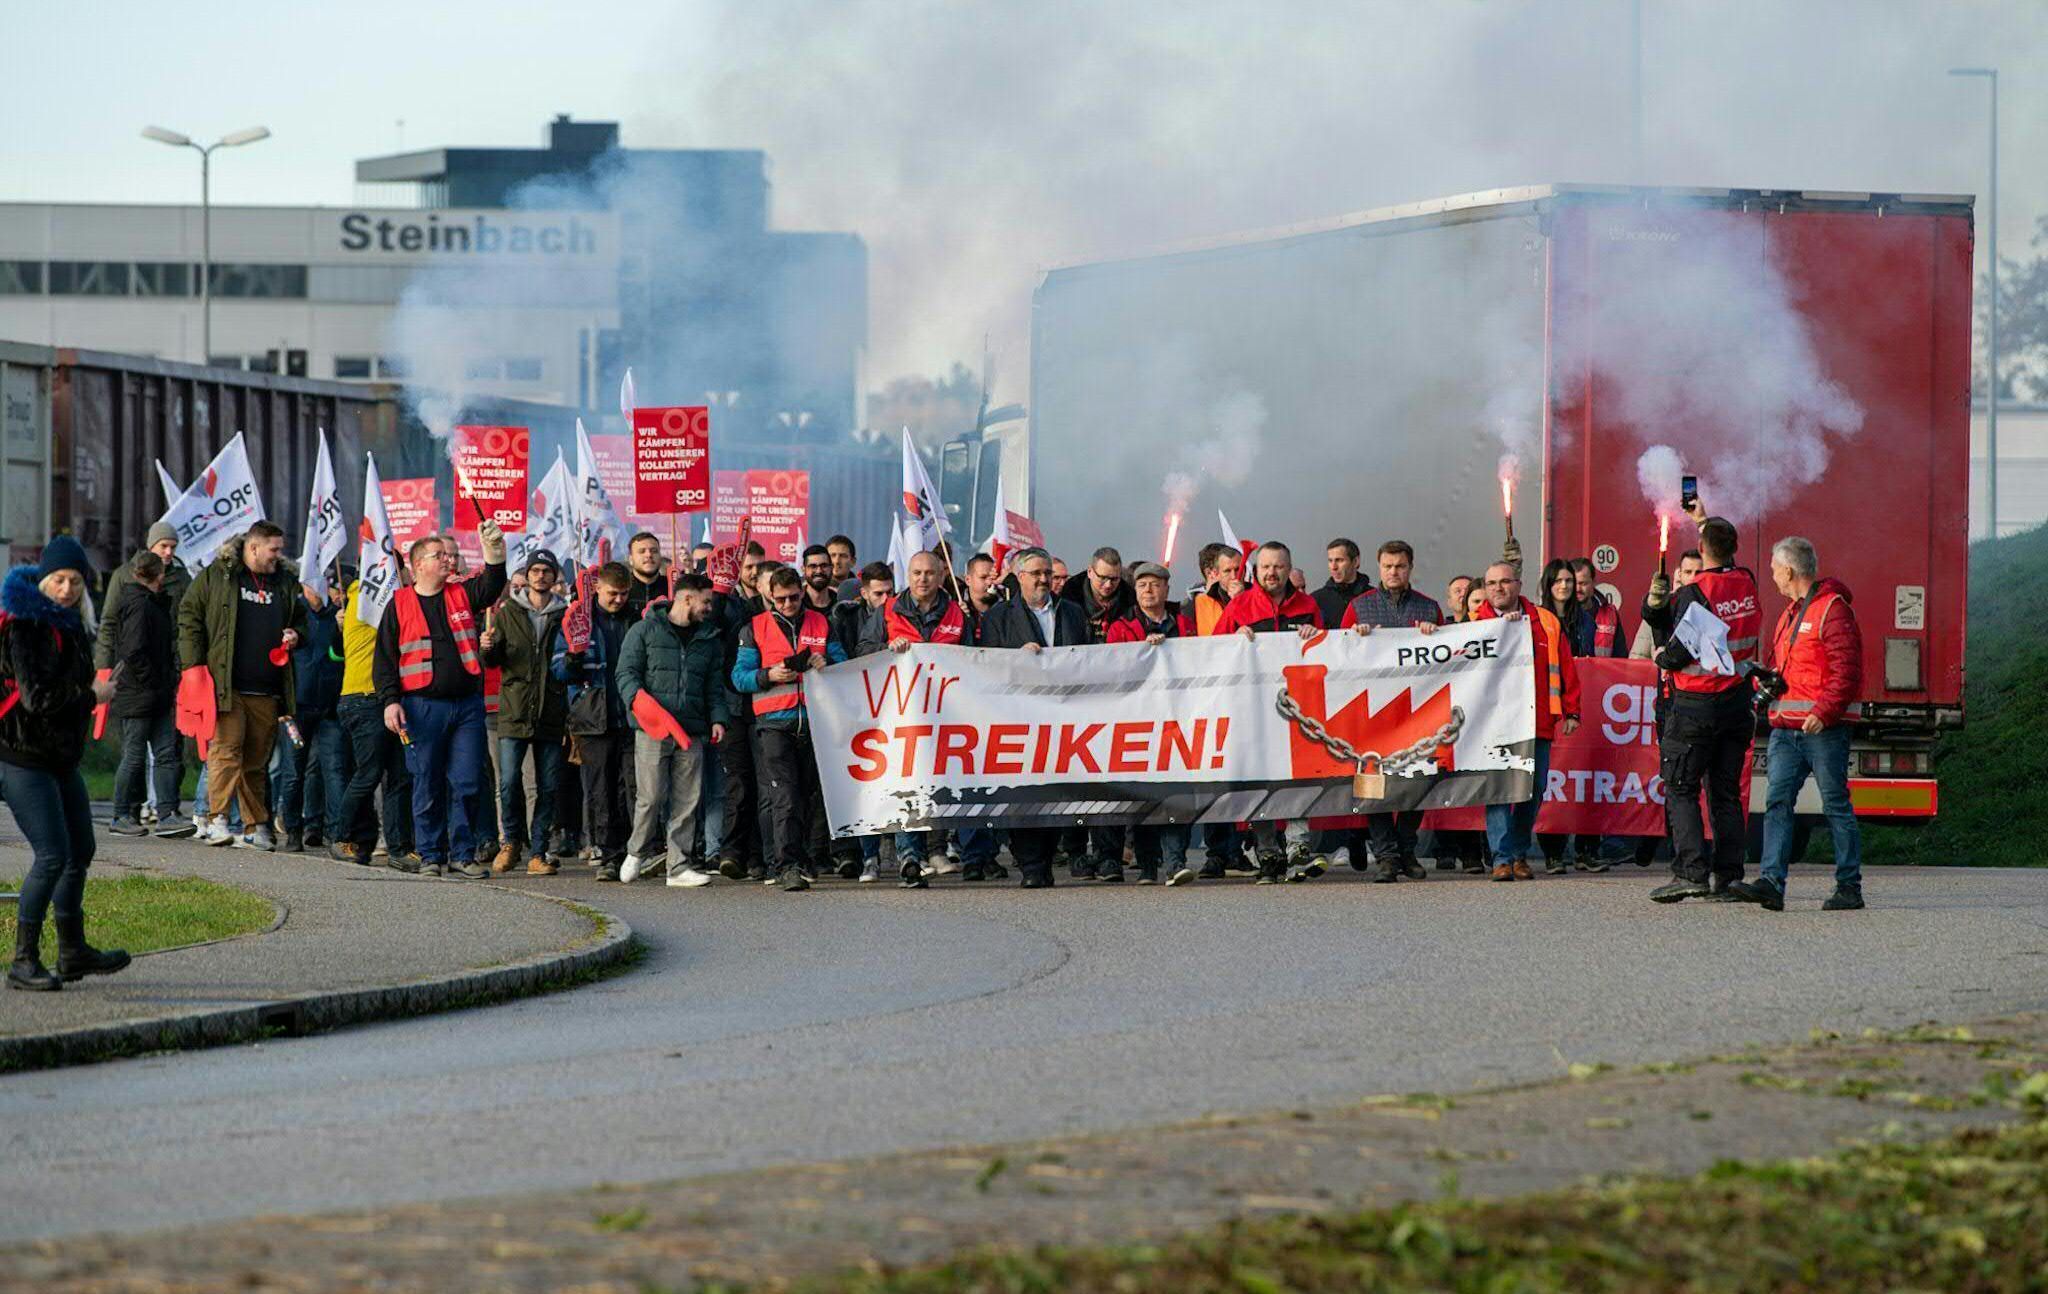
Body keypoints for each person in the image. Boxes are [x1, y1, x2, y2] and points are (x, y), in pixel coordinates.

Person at [4, 536, 127, 991]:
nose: (68, 589)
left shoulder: (71, 625)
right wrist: (91, 696)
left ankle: (72, 952)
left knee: (81, 852)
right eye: (59, 580)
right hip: (20, 757)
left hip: (59, 759)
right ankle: (23, 960)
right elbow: (36, 699)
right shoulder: (27, 626)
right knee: (52, 855)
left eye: (75, 581)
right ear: (43, 581)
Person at [1730, 538, 1866, 913]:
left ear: (1788, 571)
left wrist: (1824, 713)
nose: (1773, 577)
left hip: (1822, 730)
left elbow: (1847, 671)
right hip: (1785, 729)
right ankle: (1771, 884)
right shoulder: (1791, 612)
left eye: (1775, 570)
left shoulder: (1832, 611)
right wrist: (1766, 679)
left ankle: (1849, 887)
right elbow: (1793, 670)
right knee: (1777, 803)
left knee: (1836, 804)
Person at [373, 525, 508, 878]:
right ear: (418, 565)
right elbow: (385, 660)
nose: (449, 559)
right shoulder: (399, 604)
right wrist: (390, 702)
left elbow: (492, 585)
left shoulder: (462, 594)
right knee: (426, 781)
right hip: (420, 707)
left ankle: (462, 855)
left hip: (466, 706)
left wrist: (495, 552)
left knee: (466, 781)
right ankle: (431, 855)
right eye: (439, 556)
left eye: (449, 555)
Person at [1642, 508, 1761, 904]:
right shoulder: (1747, 582)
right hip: (1737, 702)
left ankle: (1690, 872)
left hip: (1696, 704)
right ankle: (1728, 877)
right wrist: (1703, 518)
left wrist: (1659, 653)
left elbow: (1675, 653)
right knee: (1725, 793)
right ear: (1735, 549)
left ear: (1699, 549)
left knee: (1680, 787)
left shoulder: (1693, 594)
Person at [178, 520, 308, 851]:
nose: (278, 556)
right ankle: (216, 818)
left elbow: (301, 621)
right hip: (227, 685)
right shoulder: (218, 575)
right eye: (273, 549)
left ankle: (254, 826)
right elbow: (189, 615)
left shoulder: (286, 582)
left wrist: (297, 635)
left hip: (267, 688)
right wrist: (193, 666)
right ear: (253, 547)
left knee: (256, 760)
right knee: (226, 750)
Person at [977, 546, 1089, 888]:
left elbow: (1086, 658)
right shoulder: (997, 617)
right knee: (1021, 793)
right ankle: (1031, 865)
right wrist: (1017, 658)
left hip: (1061, 716)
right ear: (1019, 577)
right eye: (1036, 573)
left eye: (1047, 574)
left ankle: (1047, 857)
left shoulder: (1072, 612)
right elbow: (986, 665)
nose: (1043, 579)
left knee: (1056, 791)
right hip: (1016, 718)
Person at [732, 565, 848, 890]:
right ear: (770, 596)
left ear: (802, 591)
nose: (787, 605)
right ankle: (786, 865)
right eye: (780, 600)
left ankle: (803, 858)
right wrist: (767, 676)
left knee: (808, 795)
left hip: (814, 722)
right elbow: (738, 677)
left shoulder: (821, 622)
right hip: (773, 725)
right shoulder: (753, 628)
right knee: (785, 796)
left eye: (793, 598)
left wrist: (829, 664)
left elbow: (843, 660)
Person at [1215, 541, 1323, 883]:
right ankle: (1268, 854)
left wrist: (1316, 635)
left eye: (1278, 566)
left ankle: (1298, 848)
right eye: (1265, 567)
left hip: (1297, 709)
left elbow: (1328, 651)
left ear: (1288, 568)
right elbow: (1213, 650)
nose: (1271, 573)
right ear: (1255, 571)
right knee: (1259, 778)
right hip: (1253, 711)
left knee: (1298, 775)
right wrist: (1235, 636)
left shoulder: (1308, 605)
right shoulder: (1240, 605)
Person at [860, 549, 969, 887]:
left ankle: (933, 848)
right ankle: (909, 856)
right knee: (906, 781)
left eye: (929, 573)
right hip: (899, 713)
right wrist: (887, 648)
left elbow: (977, 656)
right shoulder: (888, 610)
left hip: (944, 713)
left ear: (940, 576)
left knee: (936, 784)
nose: (923, 579)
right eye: (917, 573)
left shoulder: (956, 613)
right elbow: (861, 651)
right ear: (908, 576)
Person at [1340, 541, 1445, 882]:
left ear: (1410, 568)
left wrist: (1435, 635)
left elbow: (1449, 659)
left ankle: (1406, 850)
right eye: (1387, 566)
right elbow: (1339, 653)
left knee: (1417, 782)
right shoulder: (1360, 607)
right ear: (1379, 566)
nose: (1393, 572)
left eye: (1399, 566)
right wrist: (1355, 638)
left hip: (1418, 712)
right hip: (1372, 714)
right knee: (1373, 784)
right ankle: (1386, 856)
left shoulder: (1429, 609)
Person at [617, 572, 730, 886]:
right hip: (652, 729)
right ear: (687, 598)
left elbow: (713, 687)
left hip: (691, 730)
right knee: (651, 797)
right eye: (706, 601)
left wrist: (718, 718)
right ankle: (636, 852)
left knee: (687, 801)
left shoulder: (708, 639)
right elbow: (626, 673)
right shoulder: (644, 631)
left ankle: (678, 867)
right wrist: (637, 704)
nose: (710, 607)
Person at [1472, 561, 1581, 882]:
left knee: (1534, 789)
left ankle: (1518, 852)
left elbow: (1566, 667)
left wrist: (1572, 710)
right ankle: (1502, 858)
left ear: (1518, 584)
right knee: (1497, 791)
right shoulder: (1474, 624)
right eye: (1491, 583)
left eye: (1505, 582)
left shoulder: (1545, 621)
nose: (1498, 589)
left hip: (1538, 721)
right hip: (1492, 727)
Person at [95, 521, 190, 825]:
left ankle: (166, 812)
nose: (169, 552)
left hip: (162, 680)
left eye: (173, 547)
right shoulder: (129, 586)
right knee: (135, 754)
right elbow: (114, 630)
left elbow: (184, 625)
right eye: (163, 546)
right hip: (141, 686)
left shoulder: (178, 579)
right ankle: (126, 812)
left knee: (167, 751)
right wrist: (103, 668)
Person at [1105, 561, 1194, 885]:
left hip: (1176, 720)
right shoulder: (1121, 627)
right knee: (1143, 795)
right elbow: (1113, 667)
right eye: (1142, 585)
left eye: (1155, 584)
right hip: (1138, 721)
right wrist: (1141, 651)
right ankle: (1147, 866)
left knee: (1176, 793)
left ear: (1166, 589)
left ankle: (1174, 862)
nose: (1149, 590)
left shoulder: (1184, 625)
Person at [485, 548, 568, 876]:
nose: (540, 576)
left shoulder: (565, 613)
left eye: (547, 571)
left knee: (547, 785)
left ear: (554, 577)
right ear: (527, 575)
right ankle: (511, 843)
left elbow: (569, 663)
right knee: (507, 783)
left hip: (550, 709)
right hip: (514, 709)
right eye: (535, 570)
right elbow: (494, 661)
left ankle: (538, 851)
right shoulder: (508, 612)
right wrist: (487, 648)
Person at [555, 563, 637, 881]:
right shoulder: (579, 618)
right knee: (600, 788)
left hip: (630, 714)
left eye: (624, 593)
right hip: (592, 716)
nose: (618, 599)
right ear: (598, 589)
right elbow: (559, 672)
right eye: (612, 593)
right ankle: (607, 852)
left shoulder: (636, 616)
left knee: (631, 787)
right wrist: (574, 655)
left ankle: (633, 850)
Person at [333, 573, 414, 866]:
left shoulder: (366, 597)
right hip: (365, 697)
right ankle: (341, 837)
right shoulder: (369, 600)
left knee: (398, 776)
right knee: (370, 774)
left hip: (386, 698)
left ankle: (396, 848)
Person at [274, 577, 348, 853]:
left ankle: (337, 833)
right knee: (294, 771)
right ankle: (294, 828)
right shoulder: (292, 614)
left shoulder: (338, 615)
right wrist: (281, 704)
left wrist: (343, 630)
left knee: (335, 770)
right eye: (310, 583)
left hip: (330, 709)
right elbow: (277, 664)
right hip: (296, 711)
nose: (315, 590)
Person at [1631, 550, 1703, 659]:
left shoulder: (1713, 606)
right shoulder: (1662, 607)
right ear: (1680, 574)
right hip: (1665, 674)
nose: (1692, 578)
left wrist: (1663, 659)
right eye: (1688, 572)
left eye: (1698, 573)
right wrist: (1653, 604)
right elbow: (1638, 656)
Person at [1571, 559, 1628, 659]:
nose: (1578, 589)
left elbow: (1621, 659)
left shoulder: (1610, 614)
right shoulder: (1560, 614)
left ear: (1593, 583)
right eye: (1573, 583)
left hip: (1603, 674)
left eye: (1583, 583)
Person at [1186, 542, 1244, 637]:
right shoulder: (1192, 606)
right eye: (1227, 570)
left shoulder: (1250, 594)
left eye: (1238, 569)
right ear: (1211, 573)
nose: (1234, 576)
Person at [1312, 538, 1372, 629]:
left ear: (1355, 561)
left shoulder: (1375, 597)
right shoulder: (1316, 600)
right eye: (1330, 561)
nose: (1333, 567)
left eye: (1339, 560)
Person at [961, 551, 1003, 643]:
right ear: (968, 580)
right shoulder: (955, 609)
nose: (989, 582)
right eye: (983, 577)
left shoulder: (1007, 607)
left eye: (992, 577)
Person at [624, 532, 667, 620]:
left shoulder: (672, 588)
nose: (649, 555)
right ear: (631, 559)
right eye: (641, 551)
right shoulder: (622, 589)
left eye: (654, 551)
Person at [799, 544, 840, 616]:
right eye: (813, 566)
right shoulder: (796, 604)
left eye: (824, 566)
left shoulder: (841, 604)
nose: (819, 571)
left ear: (831, 568)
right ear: (803, 569)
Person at [826, 534, 860, 600]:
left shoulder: (862, 591)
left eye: (843, 556)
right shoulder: (810, 589)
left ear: (853, 561)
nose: (836, 561)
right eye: (832, 555)